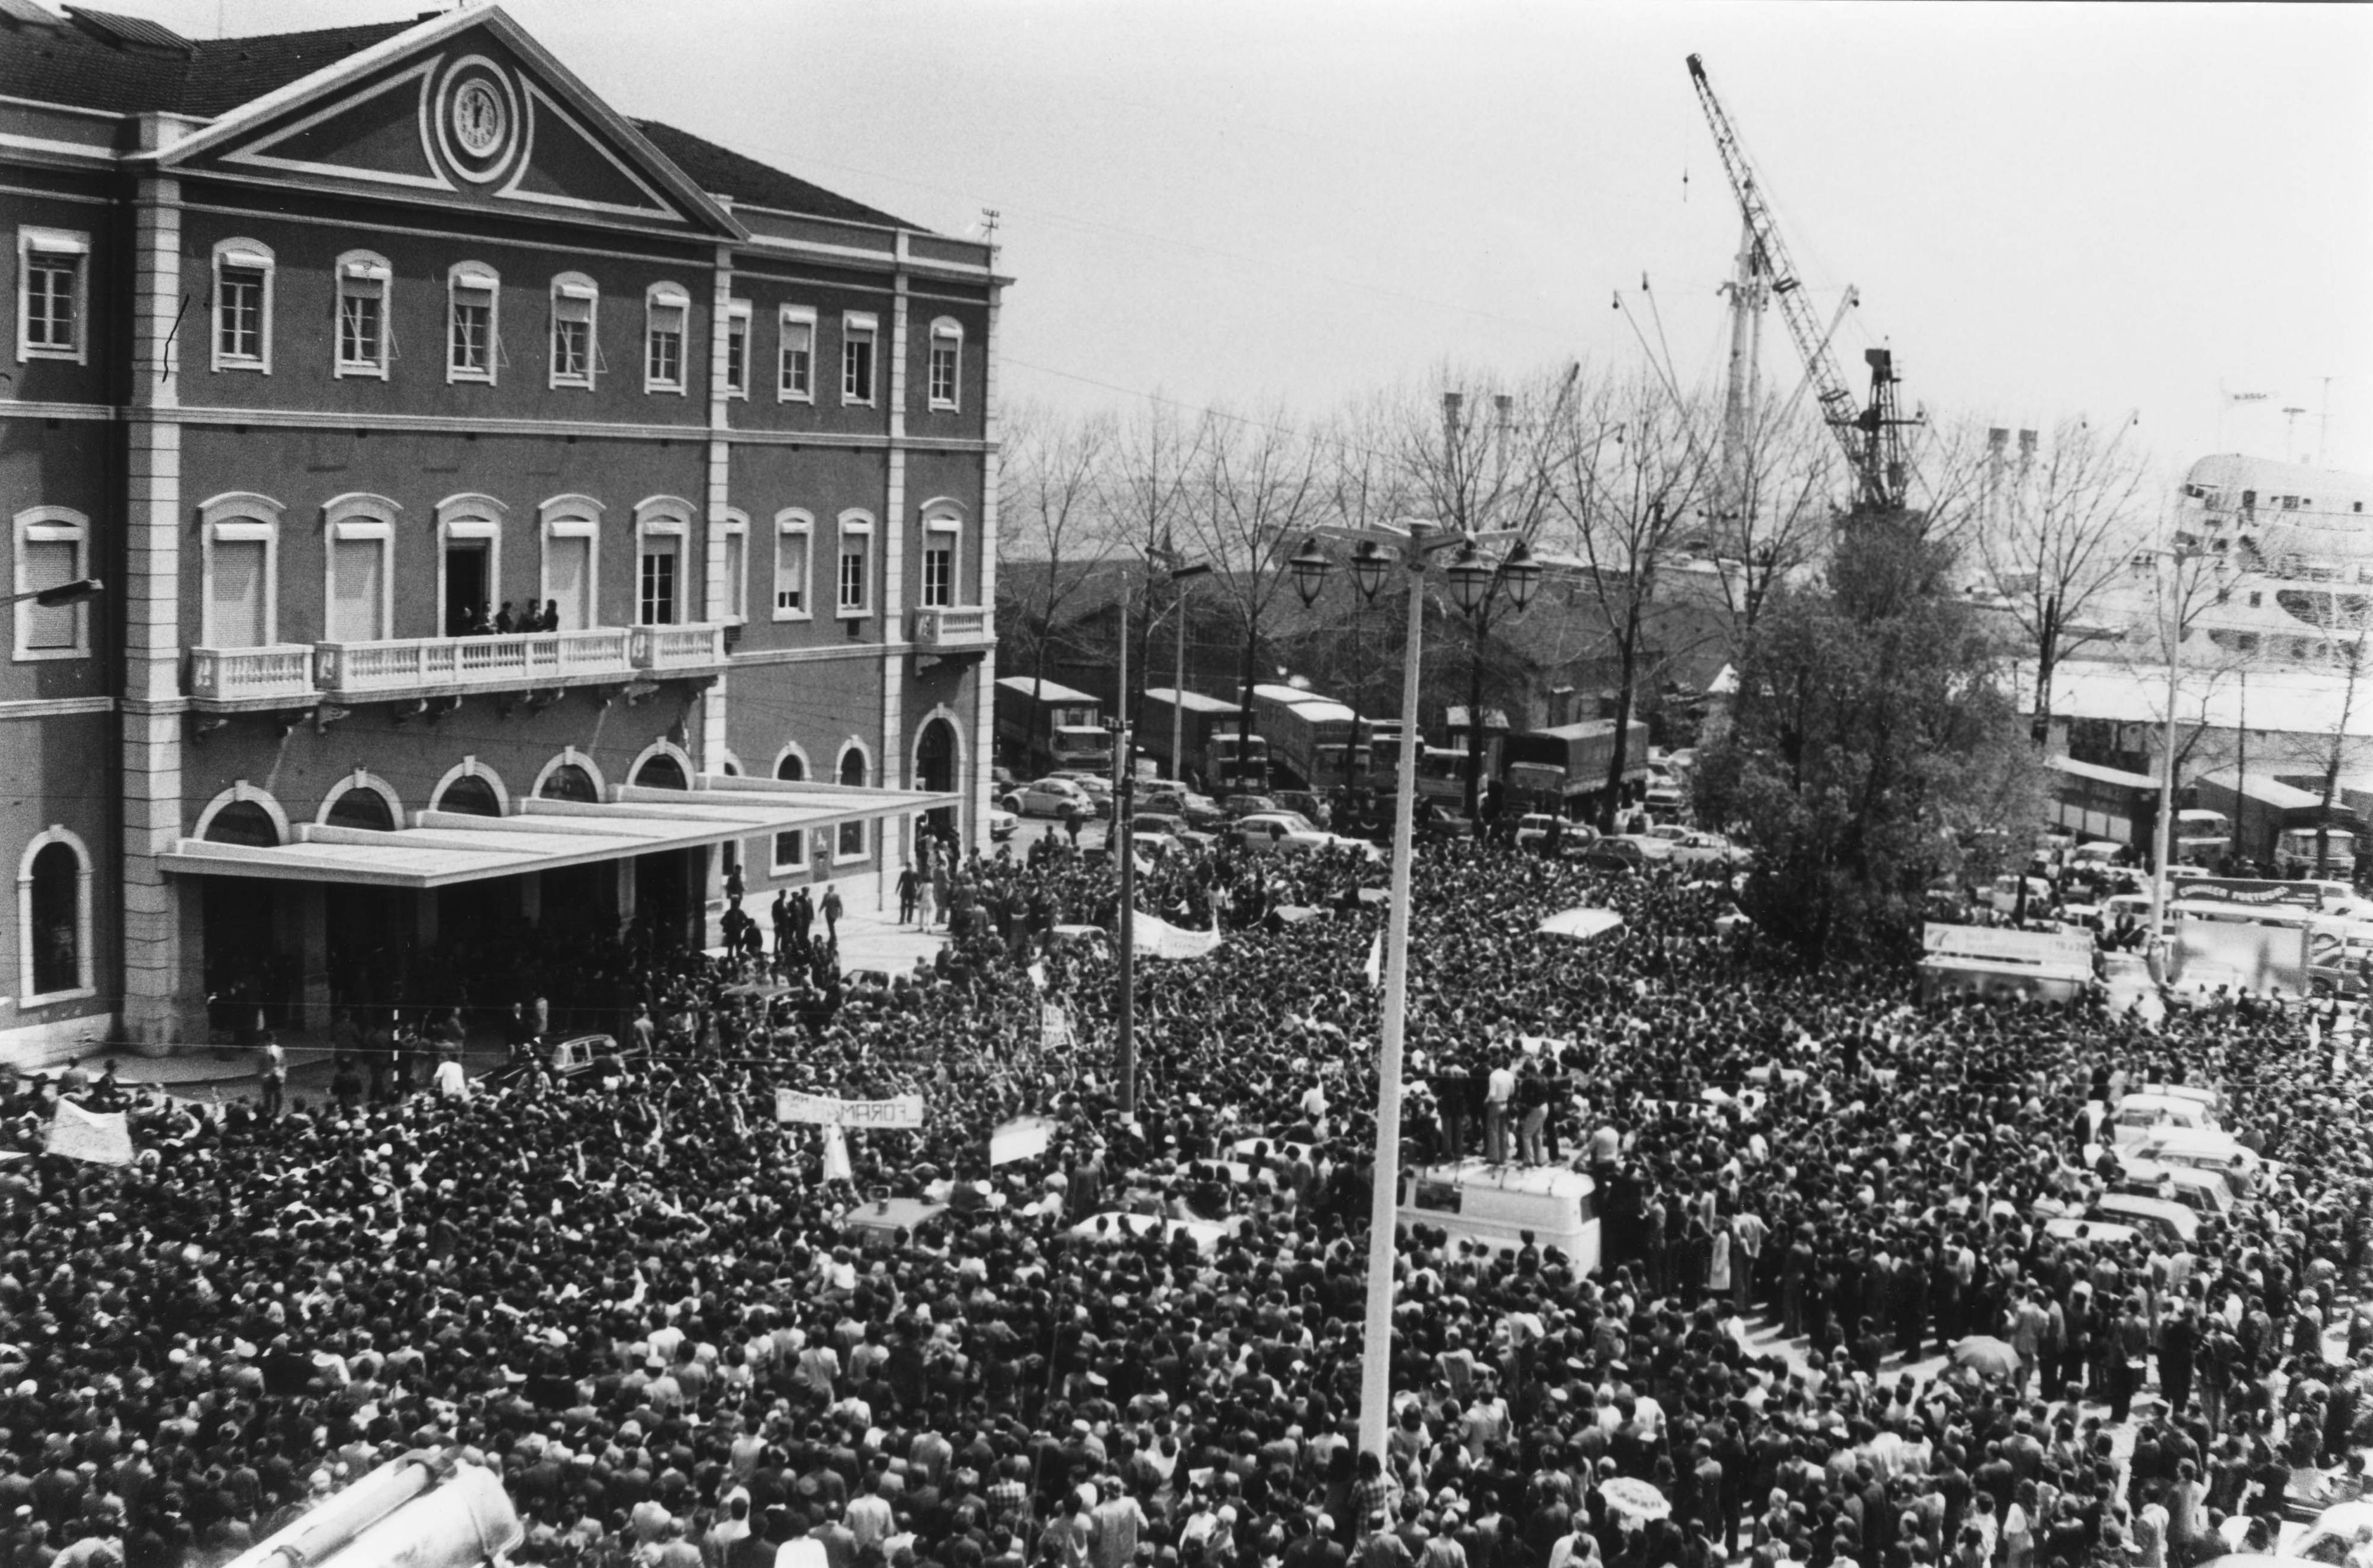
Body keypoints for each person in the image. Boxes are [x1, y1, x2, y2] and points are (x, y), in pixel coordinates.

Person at [256, 1032, 286, 1118]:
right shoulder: (279, 1049)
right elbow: (283, 1064)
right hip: (277, 1075)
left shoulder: (262, 1051)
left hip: (267, 1076)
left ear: (265, 1040)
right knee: (278, 1095)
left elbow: (260, 1065)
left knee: (268, 1095)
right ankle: (276, 1113)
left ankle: (269, 1112)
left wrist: (261, 1076)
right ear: (274, 1040)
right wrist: (282, 1075)